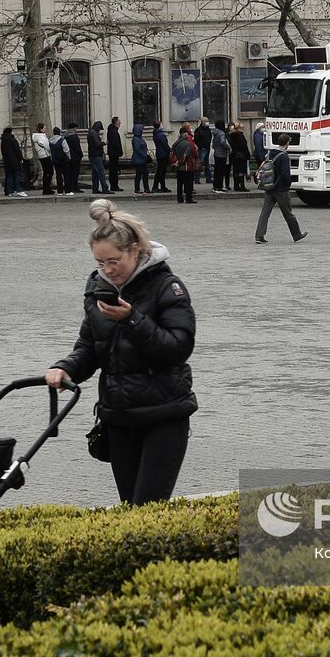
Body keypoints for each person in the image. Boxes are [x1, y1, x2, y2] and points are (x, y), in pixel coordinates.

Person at [45, 199, 197, 505]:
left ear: (136, 251)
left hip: (163, 414)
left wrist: (131, 320)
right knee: (130, 508)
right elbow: (90, 346)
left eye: (113, 261)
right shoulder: (98, 288)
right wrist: (66, 368)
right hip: (118, 416)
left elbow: (177, 349)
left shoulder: (167, 287)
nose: (107, 270)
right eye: (100, 263)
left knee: (148, 507)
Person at [255, 133, 307, 244]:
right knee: (288, 213)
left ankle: (259, 235)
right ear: (287, 143)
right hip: (281, 189)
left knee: (265, 212)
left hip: (269, 187)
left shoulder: (270, 154)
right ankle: (296, 234)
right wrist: (288, 184)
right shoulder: (283, 156)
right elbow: (285, 174)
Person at [171, 125, 198, 204]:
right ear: (185, 134)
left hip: (178, 166)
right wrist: (180, 161)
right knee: (188, 183)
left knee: (180, 183)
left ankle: (180, 198)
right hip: (187, 165)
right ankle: (189, 198)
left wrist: (176, 162)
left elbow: (172, 153)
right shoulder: (188, 143)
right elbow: (187, 154)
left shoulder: (175, 143)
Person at [0, 125, 26, 197]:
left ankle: (9, 191)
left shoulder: (3, 141)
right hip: (14, 161)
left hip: (6, 161)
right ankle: (19, 190)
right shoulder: (12, 140)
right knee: (17, 175)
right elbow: (17, 150)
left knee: (9, 176)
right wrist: (21, 158)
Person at [49, 127, 73, 196]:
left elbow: (49, 150)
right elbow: (66, 150)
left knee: (58, 175)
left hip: (55, 160)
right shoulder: (62, 140)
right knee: (66, 175)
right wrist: (69, 157)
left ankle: (60, 191)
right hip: (63, 160)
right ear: (59, 132)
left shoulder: (50, 141)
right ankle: (67, 191)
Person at [31, 122, 54, 195]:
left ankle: (46, 188)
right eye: (44, 128)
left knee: (46, 172)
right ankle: (47, 189)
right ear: (41, 129)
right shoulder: (42, 137)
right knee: (50, 172)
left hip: (41, 155)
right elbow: (48, 146)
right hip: (45, 155)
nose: (45, 129)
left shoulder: (36, 137)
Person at [88, 120, 110, 194]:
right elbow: (97, 144)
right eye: (100, 129)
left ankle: (95, 189)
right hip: (96, 155)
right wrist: (104, 143)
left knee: (95, 174)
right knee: (101, 173)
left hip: (92, 155)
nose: (100, 130)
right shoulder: (94, 134)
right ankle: (105, 188)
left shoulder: (90, 133)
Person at [228, 123, 251, 192]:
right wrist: (248, 155)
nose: (243, 128)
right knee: (241, 172)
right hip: (241, 155)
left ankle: (236, 186)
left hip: (235, 155)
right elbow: (244, 146)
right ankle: (242, 186)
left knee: (236, 171)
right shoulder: (240, 135)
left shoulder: (232, 135)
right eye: (242, 127)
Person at [130, 124, 151, 194]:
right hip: (139, 159)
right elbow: (137, 149)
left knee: (145, 174)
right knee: (139, 174)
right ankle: (137, 189)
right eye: (141, 129)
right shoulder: (136, 139)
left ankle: (146, 188)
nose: (142, 131)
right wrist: (144, 155)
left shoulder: (139, 138)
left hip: (142, 159)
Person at [152, 121, 171, 193]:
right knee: (161, 172)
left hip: (159, 154)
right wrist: (170, 150)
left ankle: (160, 186)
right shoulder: (160, 135)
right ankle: (157, 186)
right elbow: (165, 145)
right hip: (163, 155)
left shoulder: (155, 133)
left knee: (160, 171)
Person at [210, 122, 230, 193]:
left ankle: (216, 186)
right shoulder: (221, 133)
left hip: (216, 153)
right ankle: (219, 187)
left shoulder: (215, 133)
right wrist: (229, 148)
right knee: (221, 171)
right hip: (222, 154)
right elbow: (223, 142)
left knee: (217, 171)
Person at [65, 123, 85, 193]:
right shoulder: (75, 137)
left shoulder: (65, 136)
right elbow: (78, 148)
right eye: (76, 128)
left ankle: (70, 187)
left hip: (68, 157)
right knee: (75, 173)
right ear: (74, 128)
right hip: (76, 157)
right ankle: (75, 187)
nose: (77, 130)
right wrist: (81, 155)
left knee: (69, 173)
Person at [107, 116, 124, 192]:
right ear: (116, 122)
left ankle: (114, 185)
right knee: (114, 170)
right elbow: (116, 143)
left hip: (112, 153)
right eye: (119, 121)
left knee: (113, 170)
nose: (120, 123)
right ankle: (114, 186)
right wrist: (120, 151)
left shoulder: (111, 130)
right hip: (114, 153)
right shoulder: (114, 132)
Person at [194, 117, 213, 185]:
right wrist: (201, 146)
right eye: (206, 121)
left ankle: (209, 178)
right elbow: (196, 139)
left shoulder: (208, 130)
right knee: (199, 164)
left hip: (207, 148)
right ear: (202, 122)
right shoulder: (198, 130)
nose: (208, 122)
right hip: (201, 149)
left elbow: (210, 138)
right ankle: (196, 179)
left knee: (207, 164)